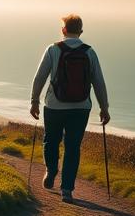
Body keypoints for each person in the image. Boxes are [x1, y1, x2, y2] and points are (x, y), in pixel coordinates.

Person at [30, 14, 110, 202]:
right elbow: (98, 82)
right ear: (81, 31)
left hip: (54, 105)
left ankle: (51, 170)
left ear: (63, 30)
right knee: (73, 147)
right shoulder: (89, 52)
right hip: (81, 107)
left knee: (51, 139)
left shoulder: (53, 49)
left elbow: (40, 77)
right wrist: (104, 108)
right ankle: (67, 190)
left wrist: (34, 100)